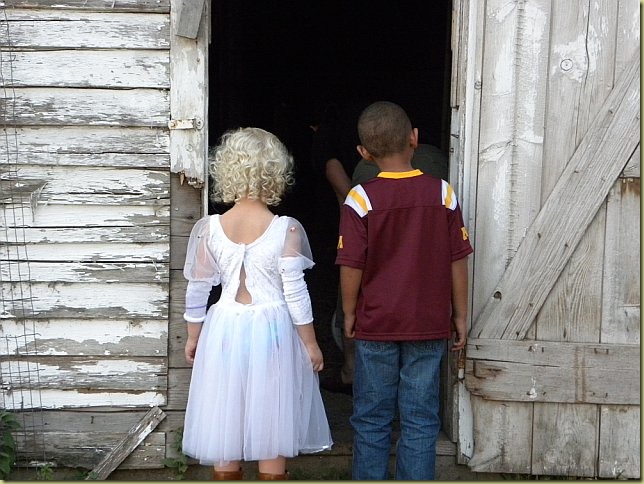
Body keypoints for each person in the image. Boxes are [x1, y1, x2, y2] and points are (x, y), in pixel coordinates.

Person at [182, 127, 333, 480]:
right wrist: (310, 343)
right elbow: (296, 293)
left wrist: (193, 336)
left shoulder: (210, 228)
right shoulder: (286, 229)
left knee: (225, 415)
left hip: (225, 328)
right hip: (272, 331)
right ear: (276, 172)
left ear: (228, 169)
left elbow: (197, 289)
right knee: (271, 416)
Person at [336, 102, 473, 480]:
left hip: (376, 325)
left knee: (371, 418)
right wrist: (460, 314)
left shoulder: (360, 198)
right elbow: (457, 259)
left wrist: (349, 312)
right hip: (428, 324)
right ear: (415, 139)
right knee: (420, 418)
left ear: (363, 153)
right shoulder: (442, 193)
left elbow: (351, 264)